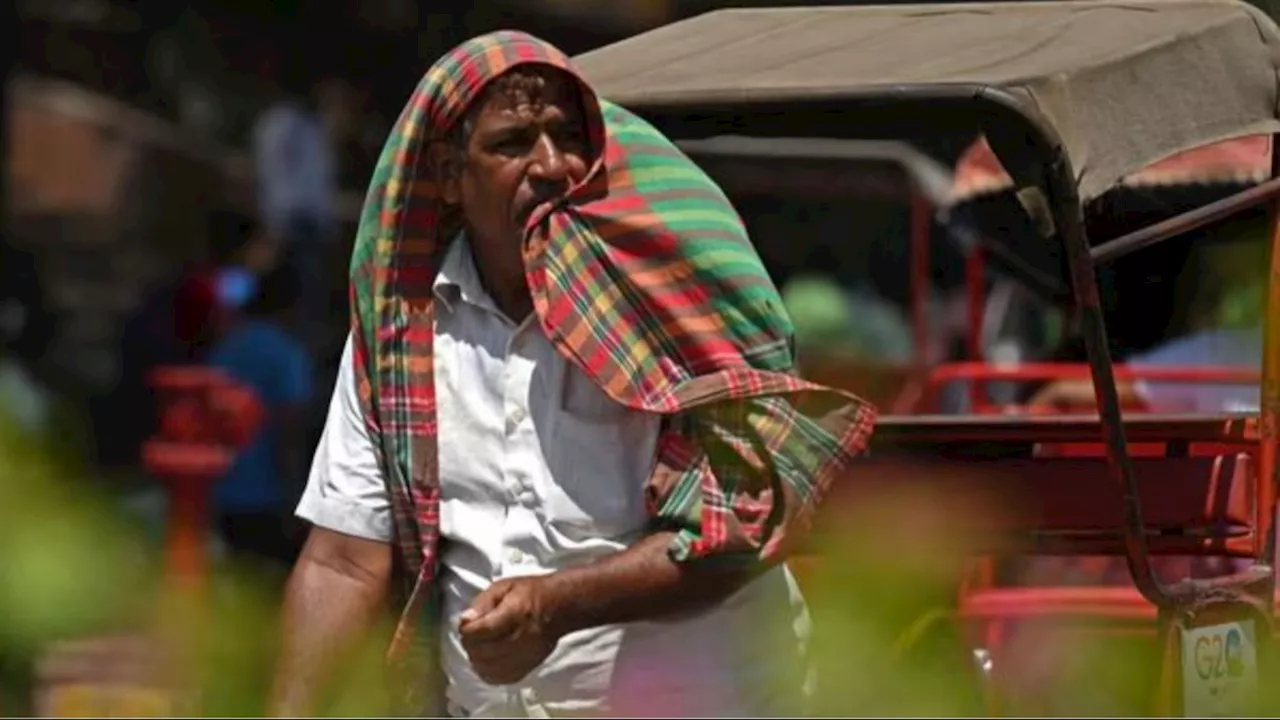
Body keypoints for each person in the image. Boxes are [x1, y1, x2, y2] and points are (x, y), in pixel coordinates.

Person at [270, 32, 875, 718]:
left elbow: (738, 522)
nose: (552, 165)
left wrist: (559, 604)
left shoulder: (668, 300)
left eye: (566, 135)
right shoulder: (400, 333)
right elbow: (343, 562)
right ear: (447, 173)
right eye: (512, 143)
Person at [208, 263, 314, 573]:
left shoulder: (227, 346)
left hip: (222, 488)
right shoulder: (287, 353)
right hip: (269, 495)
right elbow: (290, 428)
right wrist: (295, 495)